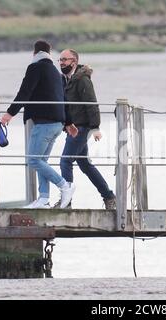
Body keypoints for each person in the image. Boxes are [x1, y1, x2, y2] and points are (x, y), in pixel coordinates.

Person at [0, 40, 77, 209]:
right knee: (42, 161)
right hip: (58, 124)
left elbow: (25, 92)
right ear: (49, 54)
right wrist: (69, 123)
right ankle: (43, 199)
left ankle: (65, 185)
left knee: (33, 160)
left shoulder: (35, 67)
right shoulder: (57, 73)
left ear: (34, 54)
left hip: (44, 123)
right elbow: (64, 100)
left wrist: (9, 113)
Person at [54, 48, 116, 209]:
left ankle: (66, 202)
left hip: (82, 127)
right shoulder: (64, 79)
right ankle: (109, 196)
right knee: (85, 164)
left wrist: (95, 128)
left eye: (65, 60)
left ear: (74, 61)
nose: (61, 63)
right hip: (72, 127)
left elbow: (91, 103)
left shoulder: (82, 79)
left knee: (65, 160)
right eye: (60, 60)